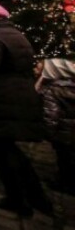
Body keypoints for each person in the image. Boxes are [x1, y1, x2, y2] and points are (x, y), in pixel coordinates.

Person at [0, 0, 52, 217]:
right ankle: (34, 197)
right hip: (21, 94)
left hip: (1, 98)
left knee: (4, 150)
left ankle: (20, 199)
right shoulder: (15, 33)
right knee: (8, 148)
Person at [37, 58, 75, 195]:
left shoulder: (54, 90)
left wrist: (48, 134)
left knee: (64, 159)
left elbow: (50, 115)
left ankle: (65, 183)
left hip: (62, 133)